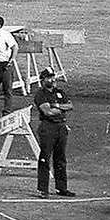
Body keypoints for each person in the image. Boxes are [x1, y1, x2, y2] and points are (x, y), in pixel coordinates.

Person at [33, 68, 75, 198]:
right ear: (43, 79)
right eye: (49, 77)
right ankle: (43, 190)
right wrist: (61, 108)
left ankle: (61, 188)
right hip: (48, 127)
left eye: (53, 77)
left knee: (60, 158)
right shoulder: (41, 94)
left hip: (61, 127)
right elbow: (48, 112)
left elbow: (70, 106)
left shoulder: (59, 92)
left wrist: (56, 106)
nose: (52, 79)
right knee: (45, 158)